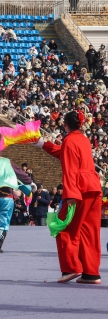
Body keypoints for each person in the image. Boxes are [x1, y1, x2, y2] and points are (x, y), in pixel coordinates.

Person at [33, 110, 102, 284]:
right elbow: (64, 154)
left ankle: (71, 268)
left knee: (62, 227)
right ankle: (91, 273)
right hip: (93, 187)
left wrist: (71, 194)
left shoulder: (69, 140)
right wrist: (43, 143)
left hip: (79, 189)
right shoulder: (83, 140)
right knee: (89, 232)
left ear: (65, 125)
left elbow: (70, 168)